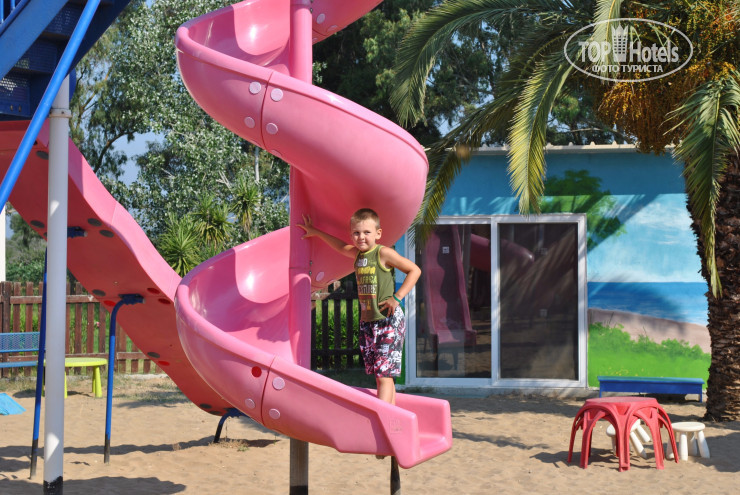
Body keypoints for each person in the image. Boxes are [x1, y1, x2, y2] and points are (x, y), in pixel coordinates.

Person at [298, 208, 421, 406]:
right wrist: (316, 232)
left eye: (366, 232)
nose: (361, 237)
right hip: (369, 323)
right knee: (381, 375)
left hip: (388, 320)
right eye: (356, 233)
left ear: (378, 233)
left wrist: (397, 298)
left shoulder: (383, 253)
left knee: (383, 375)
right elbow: (340, 246)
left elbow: (414, 270)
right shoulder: (358, 255)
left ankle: (381, 415)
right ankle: (390, 415)